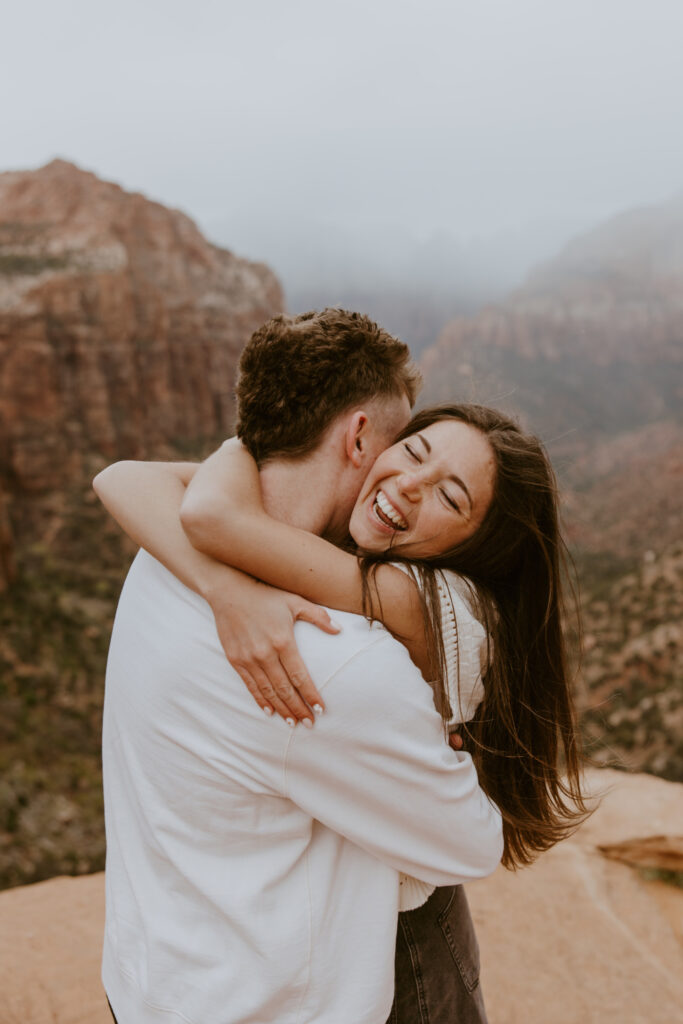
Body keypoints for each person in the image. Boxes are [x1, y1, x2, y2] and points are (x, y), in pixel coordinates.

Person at [94, 309, 504, 1024]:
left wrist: (225, 581)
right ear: (356, 436)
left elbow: (137, 480)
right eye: (403, 444)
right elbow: (469, 846)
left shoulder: (159, 555)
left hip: (150, 985)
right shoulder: (336, 660)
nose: (402, 477)